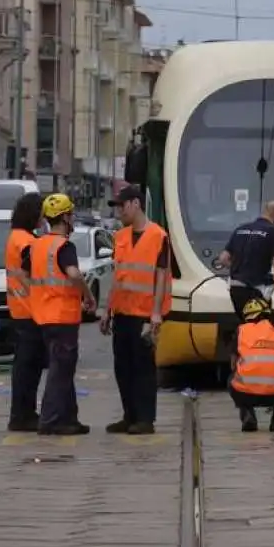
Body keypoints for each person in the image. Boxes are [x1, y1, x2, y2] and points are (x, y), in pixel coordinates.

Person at [21, 193, 96, 436]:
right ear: (64, 217)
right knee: (60, 370)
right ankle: (51, 420)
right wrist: (88, 295)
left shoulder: (36, 245)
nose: (72, 219)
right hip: (63, 317)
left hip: (43, 317)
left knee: (62, 369)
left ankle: (69, 419)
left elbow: (24, 274)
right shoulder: (64, 246)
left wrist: (36, 295)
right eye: (71, 215)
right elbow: (73, 274)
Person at [100, 185, 172, 435]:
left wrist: (155, 314)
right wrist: (107, 310)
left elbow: (161, 276)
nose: (119, 211)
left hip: (144, 313)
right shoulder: (120, 237)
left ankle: (145, 419)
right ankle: (129, 416)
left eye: (122, 206)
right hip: (122, 312)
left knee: (143, 368)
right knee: (123, 367)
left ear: (136, 204)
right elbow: (118, 276)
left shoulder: (158, 236)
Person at [5, 192, 46, 432]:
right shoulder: (25, 242)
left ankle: (24, 413)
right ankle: (22, 415)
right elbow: (36, 273)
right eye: (42, 213)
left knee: (26, 367)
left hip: (21, 310)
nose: (44, 217)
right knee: (27, 369)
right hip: (28, 311)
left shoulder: (18, 237)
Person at [229, 297, 274, 432]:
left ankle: (247, 412)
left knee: (231, 378)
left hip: (245, 392)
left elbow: (232, 364)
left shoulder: (241, 331)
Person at [218, 201, 274, 317]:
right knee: (259, 328)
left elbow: (223, 259)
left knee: (245, 325)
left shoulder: (240, 229)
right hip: (256, 289)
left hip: (236, 288)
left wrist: (239, 267)